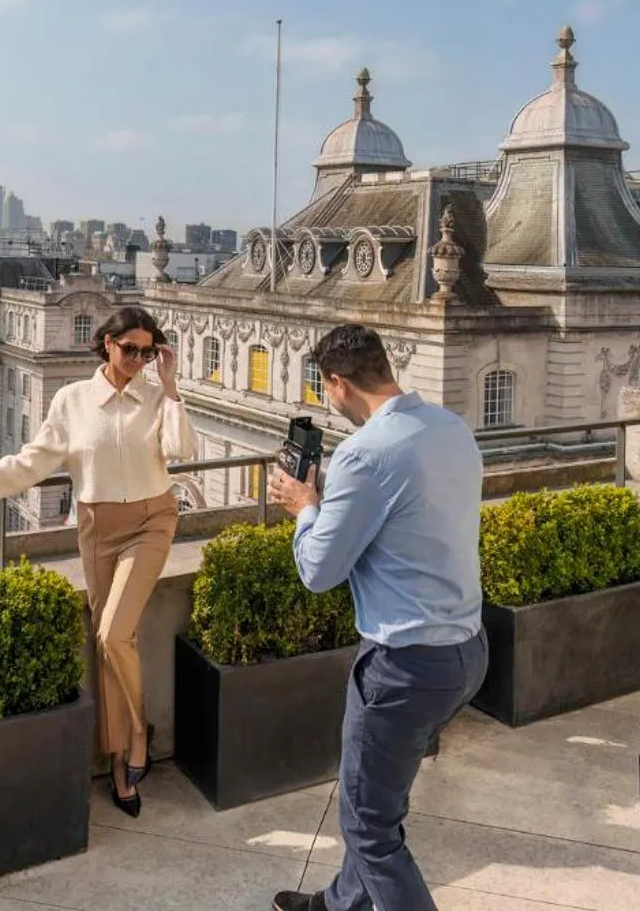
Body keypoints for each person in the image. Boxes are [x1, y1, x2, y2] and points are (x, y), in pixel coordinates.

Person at [0, 304, 193, 818]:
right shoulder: (72, 400)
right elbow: (31, 462)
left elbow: (181, 450)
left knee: (113, 633)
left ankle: (137, 738)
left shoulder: (157, 397)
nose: (137, 358)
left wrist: (172, 385)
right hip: (95, 527)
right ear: (106, 344)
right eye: (129, 348)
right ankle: (118, 763)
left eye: (147, 351)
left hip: (152, 521)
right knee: (110, 642)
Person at [267, 324, 485, 911]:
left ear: (337, 384)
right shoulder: (451, 426)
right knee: (377, 799)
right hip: (466, 650)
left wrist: (305, 507)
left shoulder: (365, 453)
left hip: (404, 665)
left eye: (325, 390)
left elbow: (318, 570)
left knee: (368, 826)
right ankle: (341, 904)